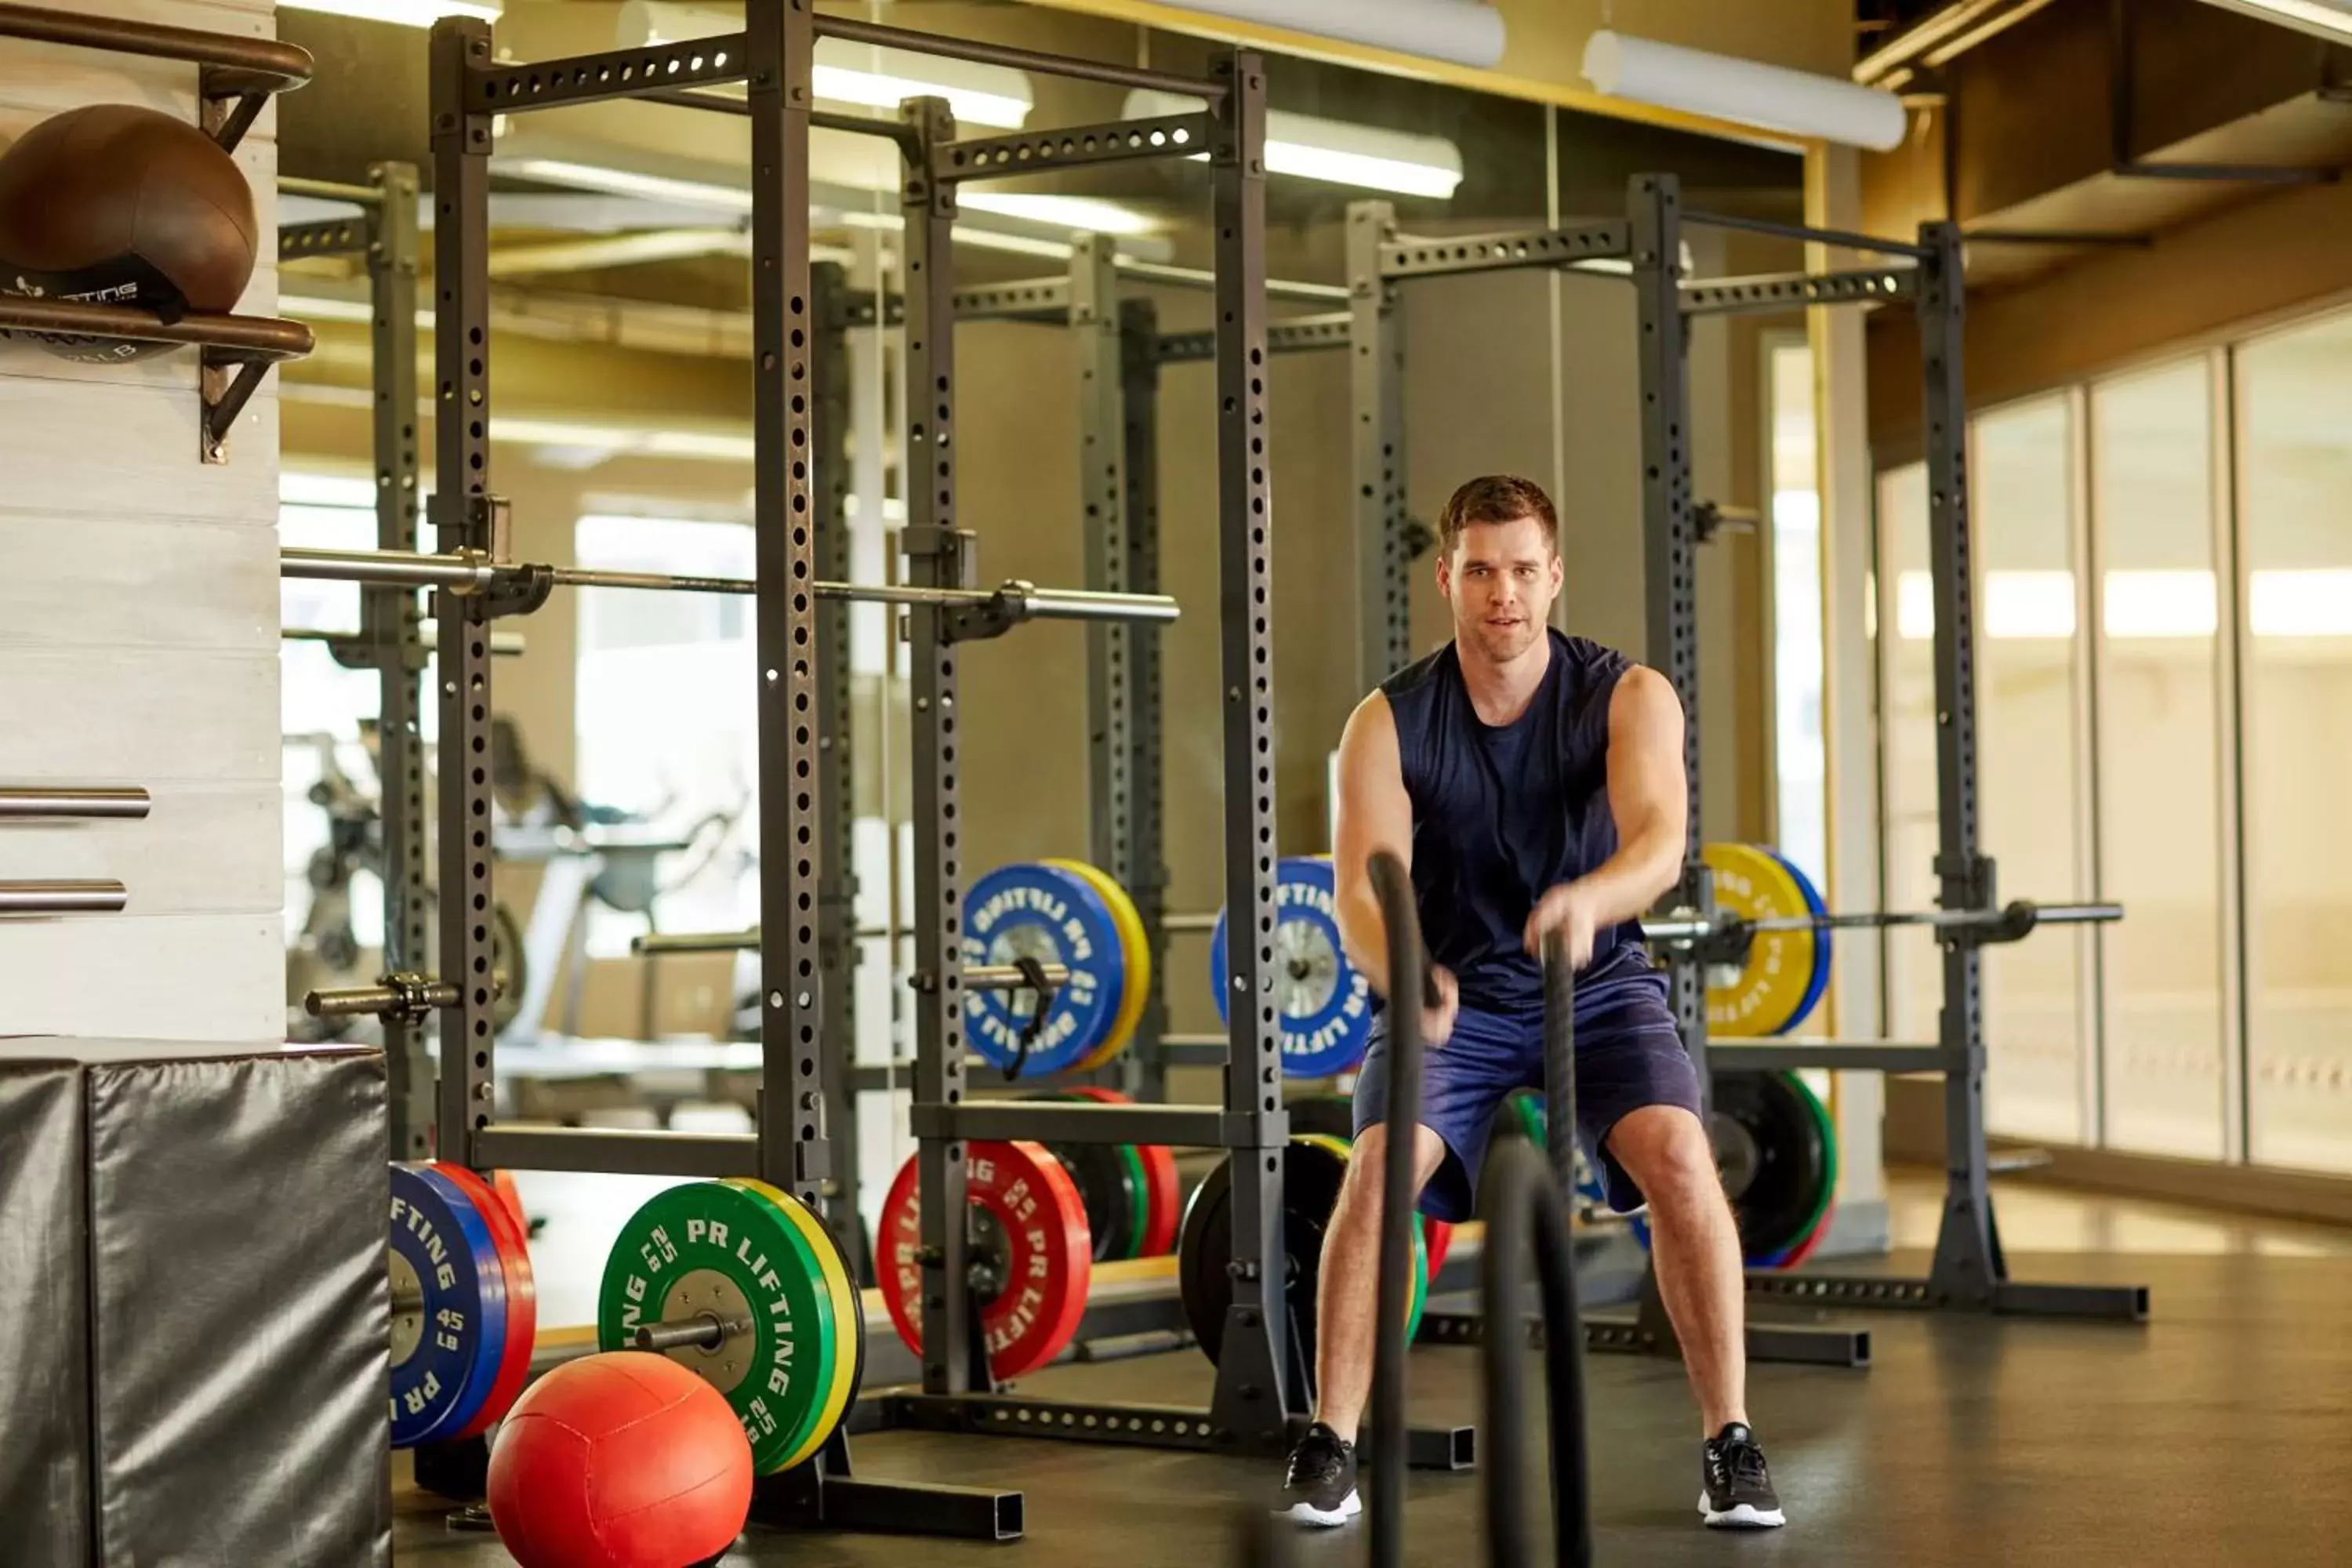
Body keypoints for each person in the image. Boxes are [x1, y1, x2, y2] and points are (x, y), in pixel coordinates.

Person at [1276, 474, 1784, 1532]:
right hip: (1454, 1001)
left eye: (1520, 570)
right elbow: (1363, 890)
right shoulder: (1386, 721)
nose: (1501, 593)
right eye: (1479, 571)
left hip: (1596, 988)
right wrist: (1401, 968)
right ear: (1446, 580)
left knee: (1685, 1159)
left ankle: (1730, 1440)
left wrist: (1593, 898)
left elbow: (1658, 841)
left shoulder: (1627, 695)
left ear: (1554, 577)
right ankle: (1330, 1441)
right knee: (1374, 1174)